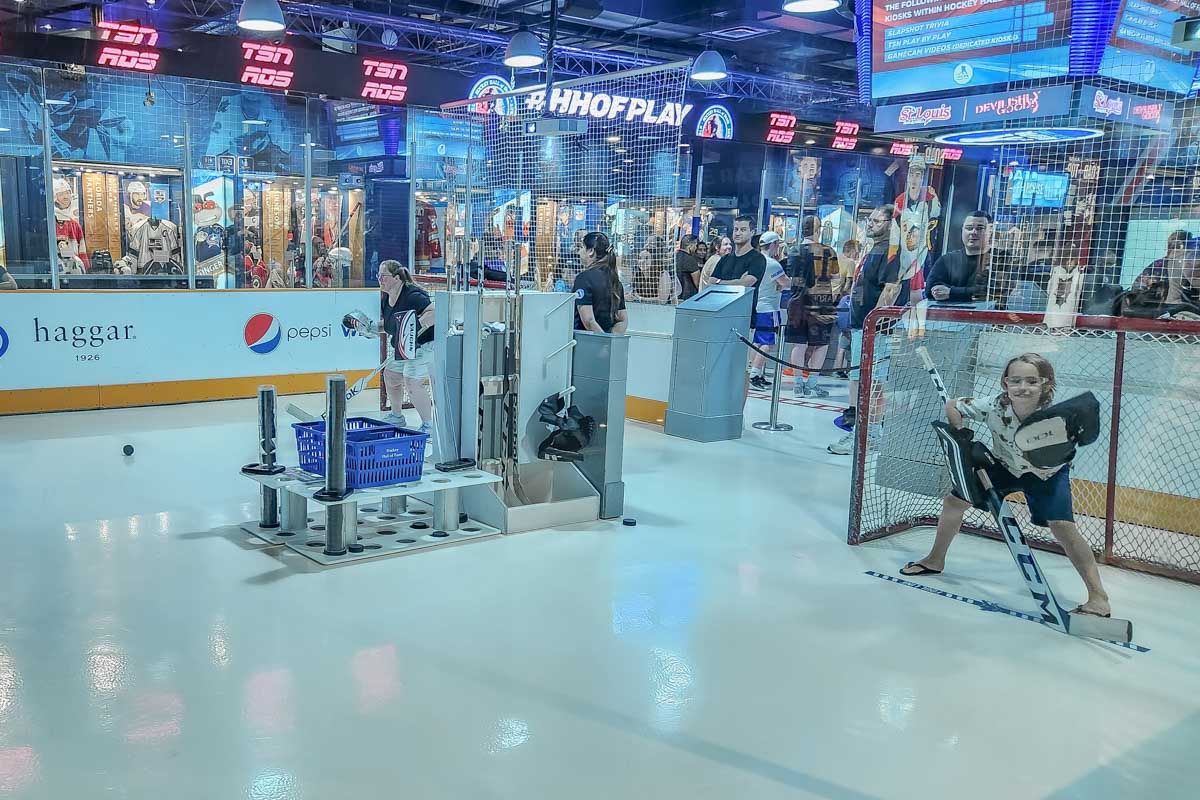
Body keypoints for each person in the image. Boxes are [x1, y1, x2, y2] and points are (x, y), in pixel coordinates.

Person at [899, 353, 1113, 618]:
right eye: (1016, 380)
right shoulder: (993, 405)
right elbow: (953, 405)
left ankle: (1098, 598)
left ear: (1046, 384)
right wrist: (961, 435)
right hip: (1005, 466)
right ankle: (934, 559)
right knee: (954, 501)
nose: (1023, 387)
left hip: (1047, 476)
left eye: (1032, 381)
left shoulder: (1055, 418)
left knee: (1064, 529)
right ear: (1005, 383)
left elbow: (1064, 452)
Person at [828, 204, 901, 455]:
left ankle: (870, 435)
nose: (870, 224)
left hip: (874, 329)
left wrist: (875, 321)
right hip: (861, 325)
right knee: (859, 379)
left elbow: (891, 289)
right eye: (869, 220)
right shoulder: (875, 249)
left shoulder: (891, 252)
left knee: (874, 382)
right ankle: (864, 433)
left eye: (877, 221)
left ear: (891, 224)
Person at [379, 260, 436, 435]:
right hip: (404, 347)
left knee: (412, 381)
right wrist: (369, 327)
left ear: (397, 278)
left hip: (425, 345)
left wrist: (413, 328)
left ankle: (428, 425)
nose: (380, 279)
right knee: (391, 375)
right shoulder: (386, 299)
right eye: (378, 276)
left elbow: (434, 312)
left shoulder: (412, 294)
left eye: (384, 276)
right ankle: (397, 416)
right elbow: (390, 326)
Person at [785, 216, 839, 398]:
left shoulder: (793, 250)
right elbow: (836, 279)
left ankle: (798, 384)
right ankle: (812, 383)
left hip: (797, 302)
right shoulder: (829, 251)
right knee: (821, 344)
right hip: (822, 303)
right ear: (819, 229)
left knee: (798, 344)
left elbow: (787, 279)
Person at [748, 232, 791, 390]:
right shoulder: (773, 264)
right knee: (768, 343)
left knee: (758, 341)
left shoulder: (755, 261)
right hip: (768, 308)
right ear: (773, 245)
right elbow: (785, 282)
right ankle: (754, 374)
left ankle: (754, 372)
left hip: (757, 306)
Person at [926, 210, 993, 304]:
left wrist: (951, 292)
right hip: (949, 317)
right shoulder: (947, 260)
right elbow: (930, 290)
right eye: (969, 228)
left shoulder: (1000, 260)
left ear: (990, 232)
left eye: (980, 228)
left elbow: (993, 292)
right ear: (962, 231)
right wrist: (969, 292)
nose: (973, 232)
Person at [709, 215, 767, 318]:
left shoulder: (758, 259)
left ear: (752, 232)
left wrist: (720, 282)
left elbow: (745, 284)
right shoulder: (725, 258)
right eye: (736, 229)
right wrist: (736, 282)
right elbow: (711, 281)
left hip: (744, 316)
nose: (738, 233)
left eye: (743, 230)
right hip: (720, 313)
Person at [573, 231, 628, 334]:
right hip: (607, 346)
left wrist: (603, 342)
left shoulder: (584, 279)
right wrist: (610, 341)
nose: (579, 252)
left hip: (585, 343)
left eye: (581, 248)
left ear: (591, 251)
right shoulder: (615, 280)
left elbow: (589, 321)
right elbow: (623, 320)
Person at [675, 234, 702, 301]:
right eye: (695, 245)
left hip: (675, 296)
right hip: (688, 297)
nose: (696, 248)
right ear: (690, 246)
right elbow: (698, 284)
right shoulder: (690, 260)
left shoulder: (674, 257)